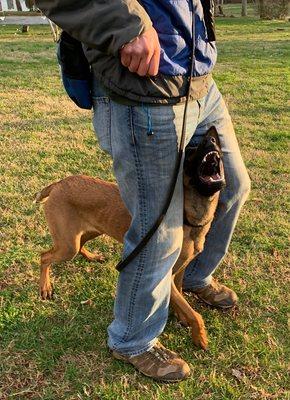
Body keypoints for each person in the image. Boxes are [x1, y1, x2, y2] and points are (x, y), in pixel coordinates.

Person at [36, 0, 251, 382]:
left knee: (232, 187)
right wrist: (125, 25)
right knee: (159, 232)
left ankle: (193, 277)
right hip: (142, 88)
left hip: (197, 77)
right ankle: (132, 339)